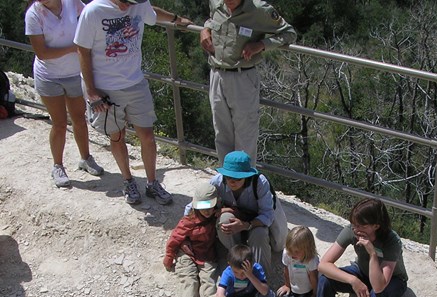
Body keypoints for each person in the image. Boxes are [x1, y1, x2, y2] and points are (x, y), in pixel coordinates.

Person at [74, 0, 192, 205]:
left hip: (135, 82)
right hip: (106, 86)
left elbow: (151, 12)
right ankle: (128, 180)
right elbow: (82, 50)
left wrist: (176, 19)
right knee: (117, 135)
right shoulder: (93, 11)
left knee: (147, 137)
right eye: (124, 2)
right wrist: (91, 91)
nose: (127, 6)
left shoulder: (138, 3)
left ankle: (152, 182)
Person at [199, 0, 296, 164]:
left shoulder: (258, 10)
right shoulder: (216, 3)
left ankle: (245, 184)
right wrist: (205, 29)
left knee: (245, 136)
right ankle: (228, 179)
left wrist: (261, 45)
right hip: (216, 73)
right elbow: (212, 19)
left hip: (242, 77)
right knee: (221, 133)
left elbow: (289, 33)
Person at [25, 0, 104, 188]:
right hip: (49, 76)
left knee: (79, 118)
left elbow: (90, 15)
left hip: (75, 73)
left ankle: (86, 158)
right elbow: (42, 53)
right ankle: (58, 166)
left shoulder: (71, 2)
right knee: (59, 124)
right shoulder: (34, 14)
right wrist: (76, 48)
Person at [210, 150, 287, 276]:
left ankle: (261, 278)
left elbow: (267, 215)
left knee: (259, 234)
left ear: (246, 176)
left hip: (256, 223)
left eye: (237, 178)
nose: (232, 182)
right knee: (224, 220)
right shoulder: (217, 182)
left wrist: (246, 225)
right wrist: (219, 210)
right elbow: (197, 206)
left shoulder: (260, 183)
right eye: (229, 177)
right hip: (235, 224)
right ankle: (237, 261)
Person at [164, 182, 220, 297]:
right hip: (187, 254)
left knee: (209, 277)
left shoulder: (217, 216)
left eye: (210, 207)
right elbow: (175, 238)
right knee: (189, 279)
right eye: (203, 207)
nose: (207, 211)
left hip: (207, 254)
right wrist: (169, 256)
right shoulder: (189, 220)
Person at [276, 225, 318, 297]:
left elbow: (313, 278)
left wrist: (315, 294)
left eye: (296, 251)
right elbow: (286, 269)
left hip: (308, 291)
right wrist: (287, 285)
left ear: (307, 249)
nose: (292, 254)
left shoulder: (311, 260)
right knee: (280, 295)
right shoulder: (287, 254)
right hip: (293, 289)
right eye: (290, 250)